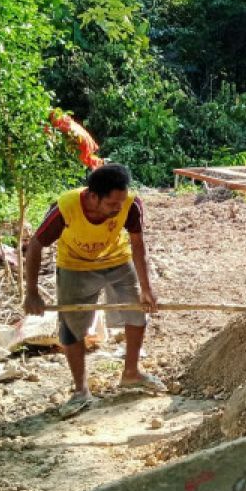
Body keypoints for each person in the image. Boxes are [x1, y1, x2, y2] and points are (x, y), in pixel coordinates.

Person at [23, 163, 164, 416]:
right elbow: (35, 245)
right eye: (112, 204)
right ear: (93, 196)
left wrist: (146, 288)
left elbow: (137, 243)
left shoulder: (130, 204)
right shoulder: (66, 208)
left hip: (117, 260)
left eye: (120, 202)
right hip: (74, 265)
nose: (118, 208)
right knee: (71, 327)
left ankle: (131, 372)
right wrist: (31, 292)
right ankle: (81, 391)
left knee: (137, 311)